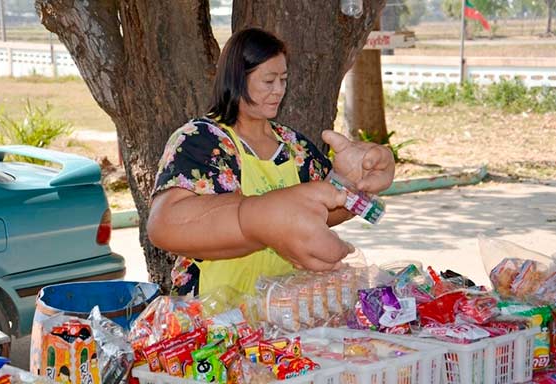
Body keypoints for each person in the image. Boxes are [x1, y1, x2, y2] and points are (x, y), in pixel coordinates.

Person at [147, 27, 395, 296]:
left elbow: (322, 215)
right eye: (269, 81)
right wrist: (257, 219)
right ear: (237, 79)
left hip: (279, 312)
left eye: (283, 80)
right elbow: (164, 226)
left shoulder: (292, 145)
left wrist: (346, 180)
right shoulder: (201, 141)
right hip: (215, 315)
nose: (279, 90)